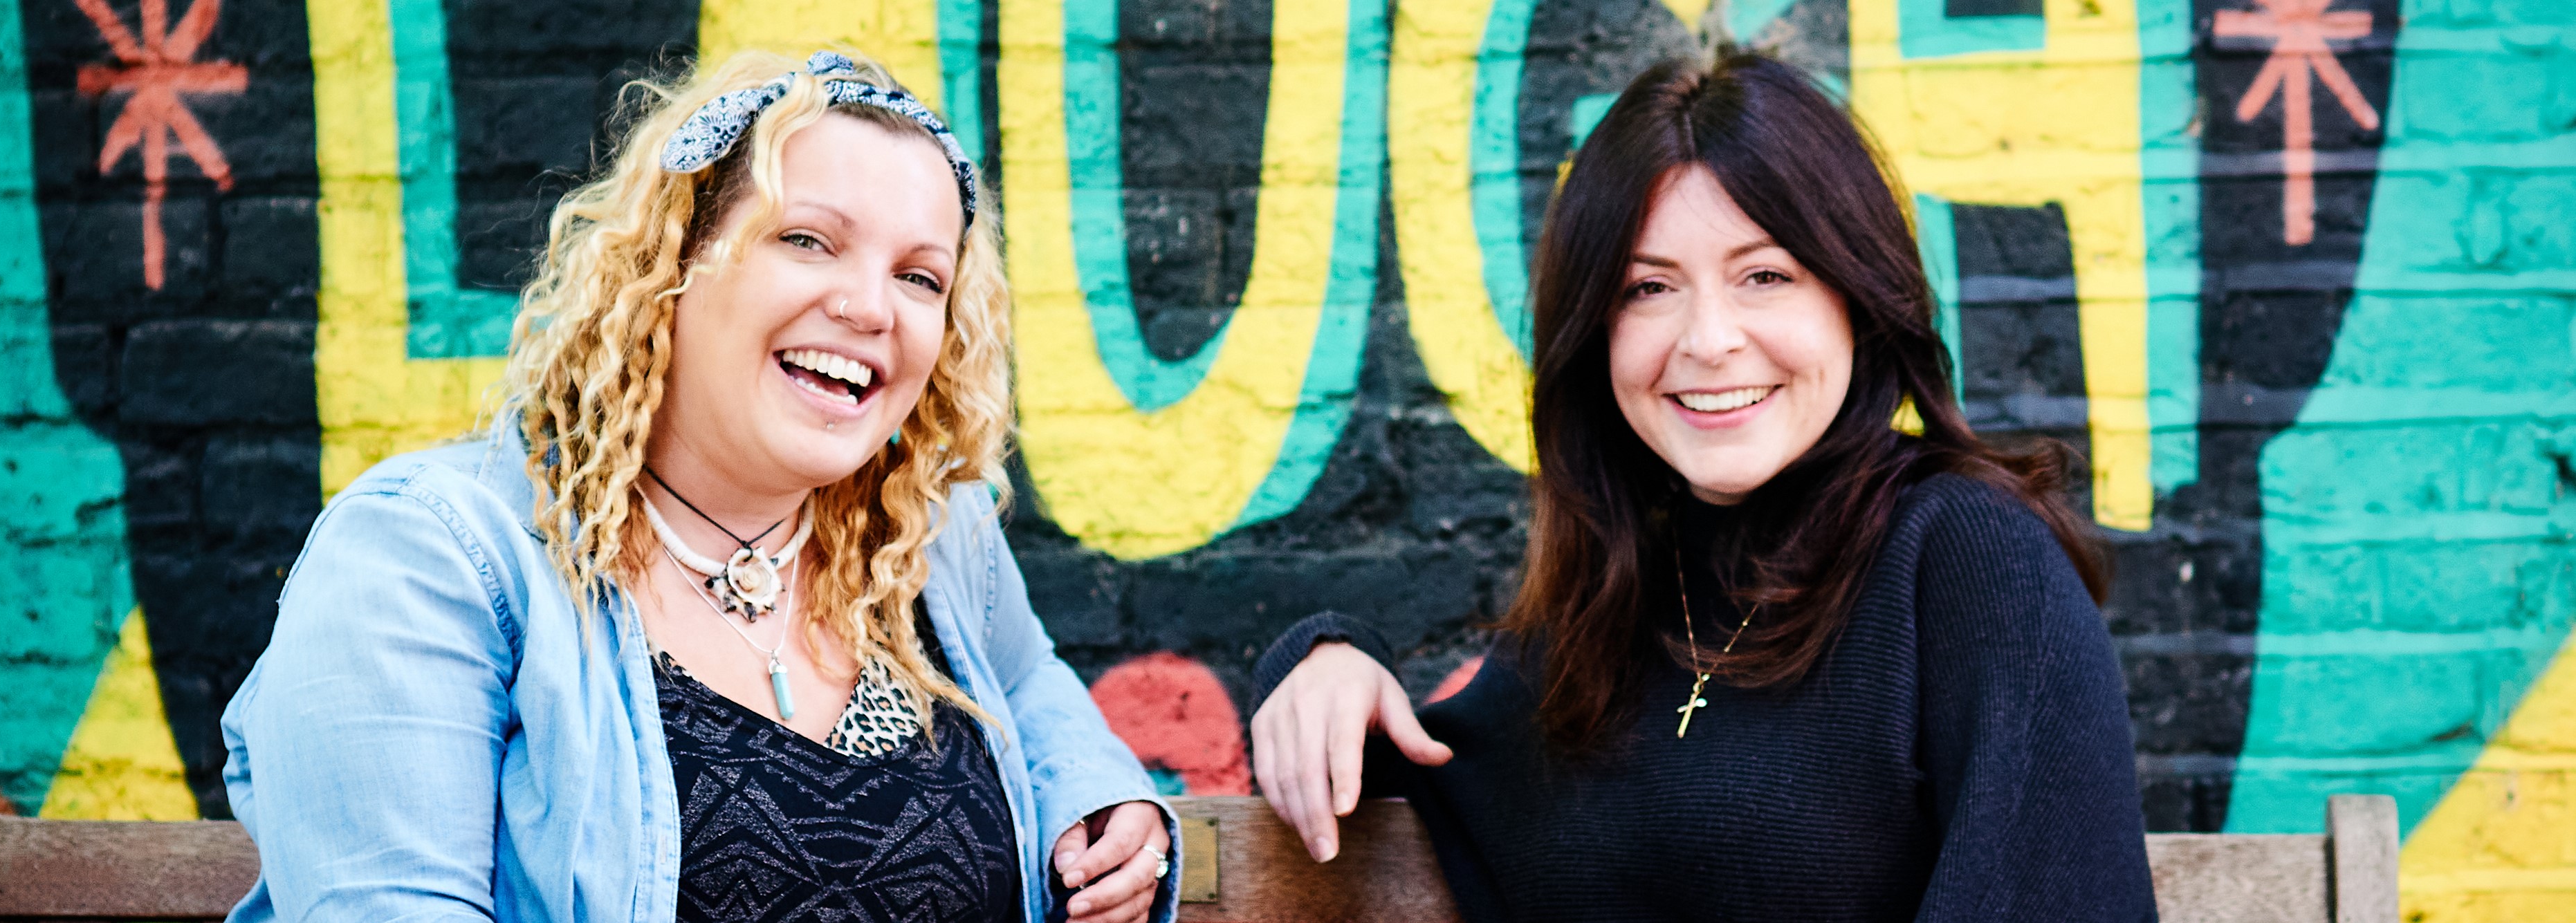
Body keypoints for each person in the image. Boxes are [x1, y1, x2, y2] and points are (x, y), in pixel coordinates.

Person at [220, 50, 1175, 923]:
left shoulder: (925, 537)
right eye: (806, 240)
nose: (870, 306)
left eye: (920, 278)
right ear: (674, 263)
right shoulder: (429, 558)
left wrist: (1092, 791)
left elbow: (1027, 683)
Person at [1249, 53, 2156, 921]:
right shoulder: (1607, 606)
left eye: (1765, 276)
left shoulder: (1966, 555)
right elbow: (1432, 782)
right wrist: (1325, 657)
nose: (1709, 339)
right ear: (1596, 333)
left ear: (1855, 296)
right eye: (1649, 289)